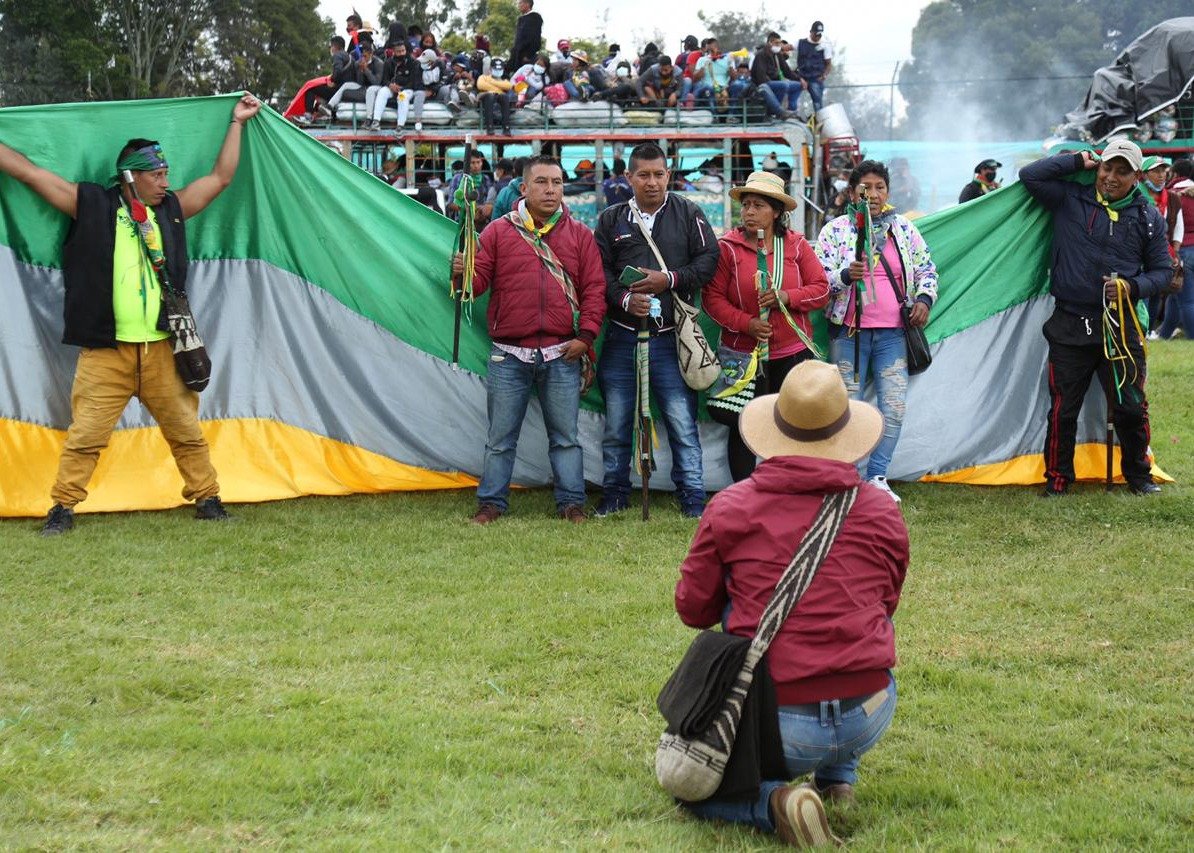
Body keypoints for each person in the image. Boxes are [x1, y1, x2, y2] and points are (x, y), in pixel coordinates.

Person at [0, 94, 263, 535]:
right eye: (156, 175)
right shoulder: (91, 205)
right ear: (129, 177)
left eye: (166, 174)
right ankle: (62, 509)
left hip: (163, 351)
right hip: (107, 354)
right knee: (85, 437)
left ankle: (209, 499)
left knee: (187, 433)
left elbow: (220, 178)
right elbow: (28, 172)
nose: (164, 182)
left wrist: (237, 122)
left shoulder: (172, 210)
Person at [674, 359, 907, 847]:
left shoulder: (731, 507)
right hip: (871, 708)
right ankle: (839, 776)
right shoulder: (883, 510)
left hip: (779, 724)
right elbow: (887, 603)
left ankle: (774, 803)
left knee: (689, 786)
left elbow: (694, 610)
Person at [450, 156, 606, 523]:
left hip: (562, 352)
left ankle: (571, 503)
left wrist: (586, 337)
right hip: (509, 354)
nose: (550, 189)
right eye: (541, 182)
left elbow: (596, 291)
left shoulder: (581, 235)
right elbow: (477, 286)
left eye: (557, 182)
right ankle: (491, 503)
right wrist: (461, 273)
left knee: (566, 438)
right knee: (500, 440)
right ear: (523, 188)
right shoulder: (497, 232)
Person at [1020, 139, 1171, 496]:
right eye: (1107, 168)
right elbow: (1030, 176)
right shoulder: (1070, 199)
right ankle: (1057, 480)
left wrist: (1130, 287)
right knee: (1062, 410)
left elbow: (1163, 272)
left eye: (1122, 171)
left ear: (1137, 176)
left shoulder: (1149, 217)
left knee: (1131, 407)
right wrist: (1078, 160)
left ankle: (1139, 477)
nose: (1111, 178)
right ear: (1098, 169)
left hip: (1120, 327)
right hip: (1069, 323)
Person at [592, 142, 720, 518]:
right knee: (617, 422)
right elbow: (600, 274)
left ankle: (693, 497)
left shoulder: (689, 212)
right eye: (643, 175)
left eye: (659, 174)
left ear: (669, 176)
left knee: (681, 422)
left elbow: (709, 260)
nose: (652, 182)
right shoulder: (611, 219)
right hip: (621, 335)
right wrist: (625, 300)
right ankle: (615, 494)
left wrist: (670, 279)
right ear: (628, 177)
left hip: (670, 339)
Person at [815, 160, 938, 503]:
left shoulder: (904, 229)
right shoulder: (836, 231)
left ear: (888, 191)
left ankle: (878, 475)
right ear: (852, 193)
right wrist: (843, 276)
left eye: (879, 187)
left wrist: (925, 300)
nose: (872, 193)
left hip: (893, 335)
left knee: (894, 407)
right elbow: (817, 280)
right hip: (849, 333)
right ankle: (846, 478)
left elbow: (927, 267)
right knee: (846, 408)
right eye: (864, 187)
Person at [704, 172, 830, 482]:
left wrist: (787, 296)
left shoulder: (796, 246)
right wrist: (747, 324)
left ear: (776, 211)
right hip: (745, 355)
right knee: (744, 423)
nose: (748, 212)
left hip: (791, 353)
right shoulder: (728, 249)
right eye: (746, 205)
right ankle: (745, 495)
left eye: (758, 205)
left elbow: (822, 289)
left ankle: (788, 489)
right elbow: (713, 300)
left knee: (791, 423)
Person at [1139, 156, 1184, 337]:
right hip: (1140, 253)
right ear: (1143, 174)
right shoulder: (1136, 195)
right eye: (1155, 171)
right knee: (1143, 293)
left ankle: (1149, 330)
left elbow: (1178, 227)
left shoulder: (1172, 198)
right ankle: (1140, 330)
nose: (1161, 175)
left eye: (1163, 171)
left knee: (1157, 292)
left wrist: (1175, 251)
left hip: (1162, 253)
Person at [1158, 158, 1194, 339]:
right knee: (1175, 294)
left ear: (1176, 174)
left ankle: (1192, 339)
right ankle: (1164, 335)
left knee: (1187, 299)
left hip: (1183, 250)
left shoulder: (1170, 195)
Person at [750, 32, 800, 120]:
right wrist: (776, 80)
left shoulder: (777, 55)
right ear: (770, 42)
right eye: (777, 43)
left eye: (779, 43)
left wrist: (801, 79)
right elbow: (761, 78)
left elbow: (787, 72)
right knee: (783, 85)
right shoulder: (761, 55)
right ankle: (778, 112)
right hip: (761, 85)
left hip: (773, 83)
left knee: (797, 85)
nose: (779, 45)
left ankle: (791, 110)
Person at [794, 21, 833, 113]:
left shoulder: (825, 45)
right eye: (816, 34)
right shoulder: (801, 43)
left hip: (815, 78)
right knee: (792, 93)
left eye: (819, 35)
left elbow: (828, 63)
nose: (817, 37)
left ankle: (820, 121)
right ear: (811, 32)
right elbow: (789, 47)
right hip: (801, 76)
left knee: (817, 102)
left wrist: (824, 75)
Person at [477, 57, 514, 134]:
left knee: (505, 97)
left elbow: (509, 86)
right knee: (490, 96)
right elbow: (480, 85)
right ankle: (490, 127)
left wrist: (491, 82)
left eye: (500, 69)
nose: (498, 71)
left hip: (499, 97)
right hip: (486, 98)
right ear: (490, 69)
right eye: (495, 69)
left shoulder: (505, 80)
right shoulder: (483, 77)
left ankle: (506, 127)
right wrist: (498, 87)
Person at [510, 0, 543, 68]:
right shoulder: (521, 19)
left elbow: (535, 38)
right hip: (517, 54)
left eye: (520, 3)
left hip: (527, 55)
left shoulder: (535, 17)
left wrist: (528, 55)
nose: (519, 5)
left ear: (527, 4)